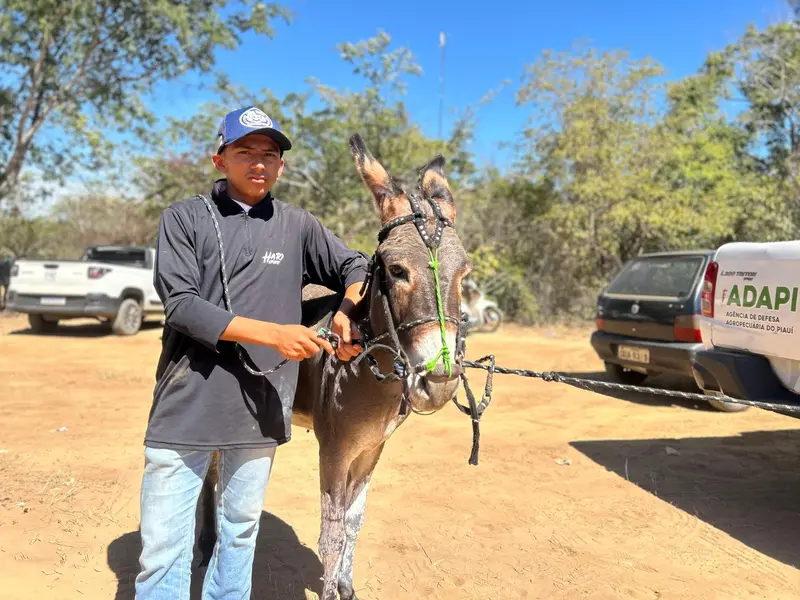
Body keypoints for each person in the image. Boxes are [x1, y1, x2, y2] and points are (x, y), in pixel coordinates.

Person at [135, 106, 368, 599]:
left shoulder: (298, 226)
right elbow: (181, 306)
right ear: (220, 159)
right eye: (245, 152)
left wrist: (345, 308)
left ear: (281, 166)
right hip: (187, 406)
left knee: (239, 534)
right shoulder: (183, 219)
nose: (259, 163)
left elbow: (355, 263)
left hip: (260, 407)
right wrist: (276, 335)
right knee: (163, 550)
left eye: (270, 154)